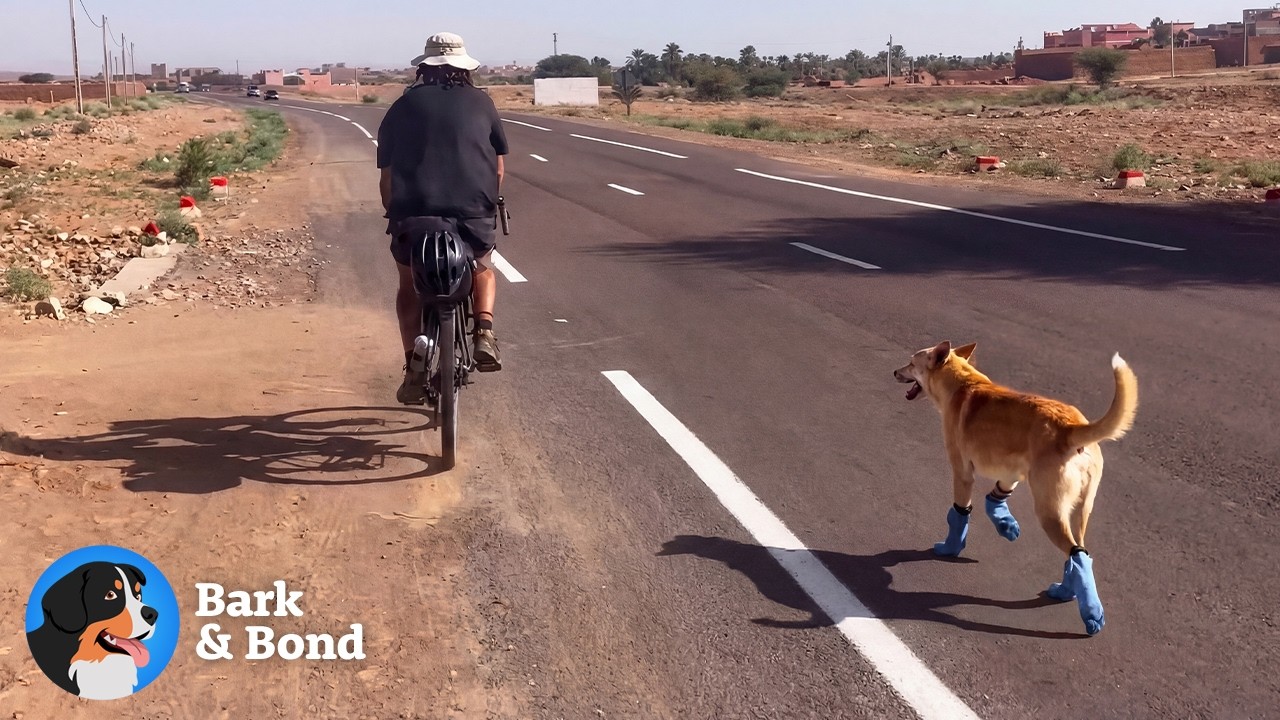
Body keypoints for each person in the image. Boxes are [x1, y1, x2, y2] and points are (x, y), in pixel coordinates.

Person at [377, 32, 509, 404]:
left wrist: (395, 214)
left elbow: (386, 175)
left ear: (424, 67)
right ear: (464, 68)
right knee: (483, 266)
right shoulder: (482, 103)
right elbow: (497, 169)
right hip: (472, 215)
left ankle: (411, 362)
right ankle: (484, 329)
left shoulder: (402, 107)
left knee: (408, 284)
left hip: (414, 217)